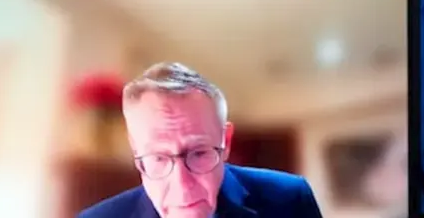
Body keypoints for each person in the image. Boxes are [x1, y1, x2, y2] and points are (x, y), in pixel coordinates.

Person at [78, 62, 324, 218]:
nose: (182, 185)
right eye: (158, 157)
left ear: (225, 141)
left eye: (199, 152)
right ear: (135, 151)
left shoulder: (291, 199)